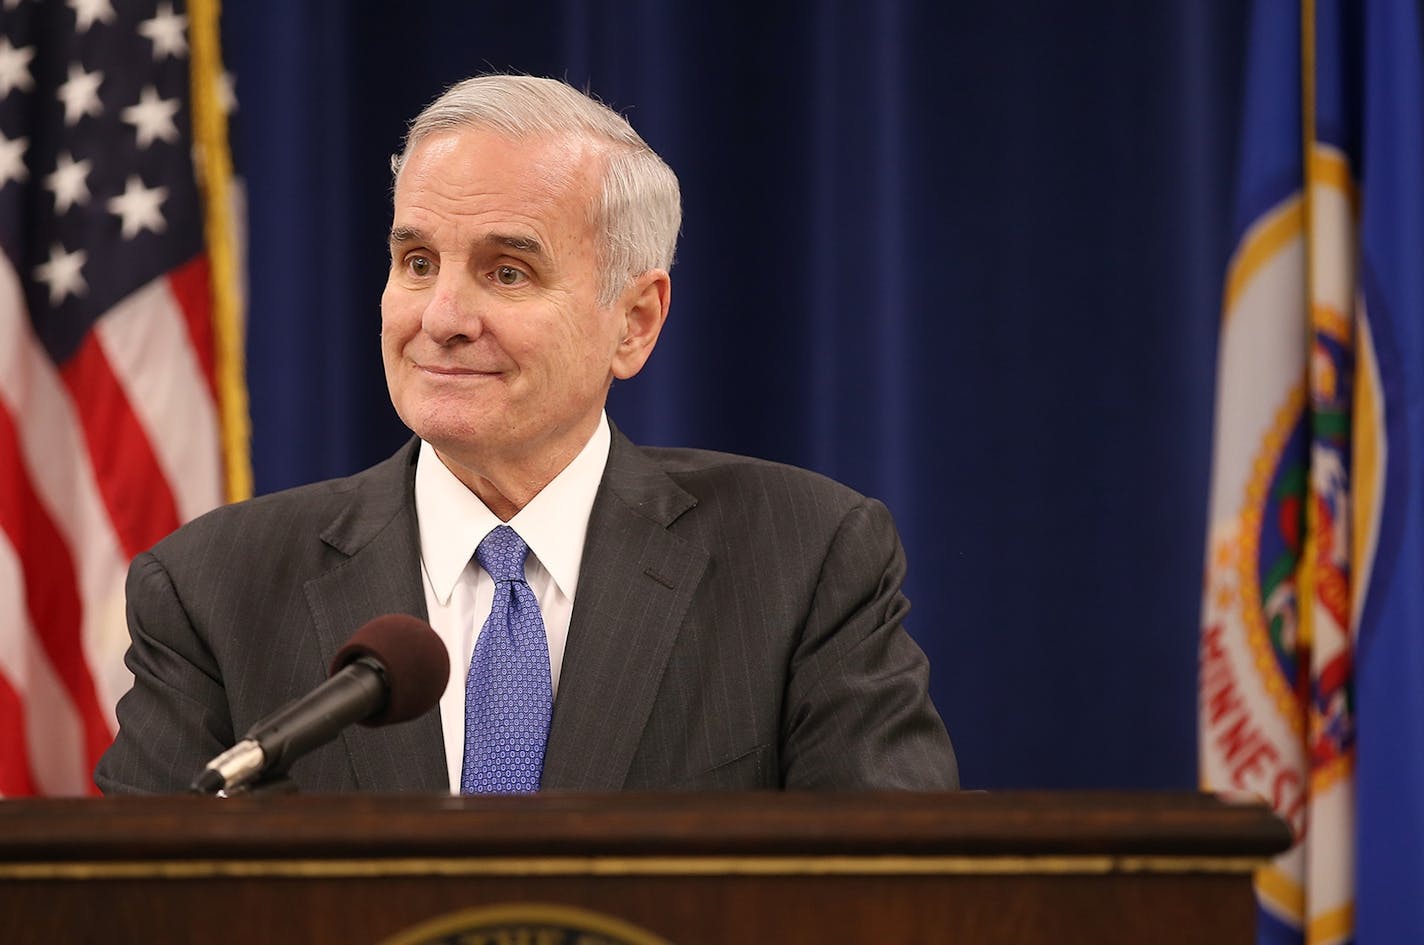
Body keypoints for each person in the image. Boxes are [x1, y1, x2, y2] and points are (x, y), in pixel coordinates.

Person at [95, 75, 957, 794]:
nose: (442, 317)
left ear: (635, 322)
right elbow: (132, 905)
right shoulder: (214, 588)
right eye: (418, 262)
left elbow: (896, 892)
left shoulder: (803, 558)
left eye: (507, 271)